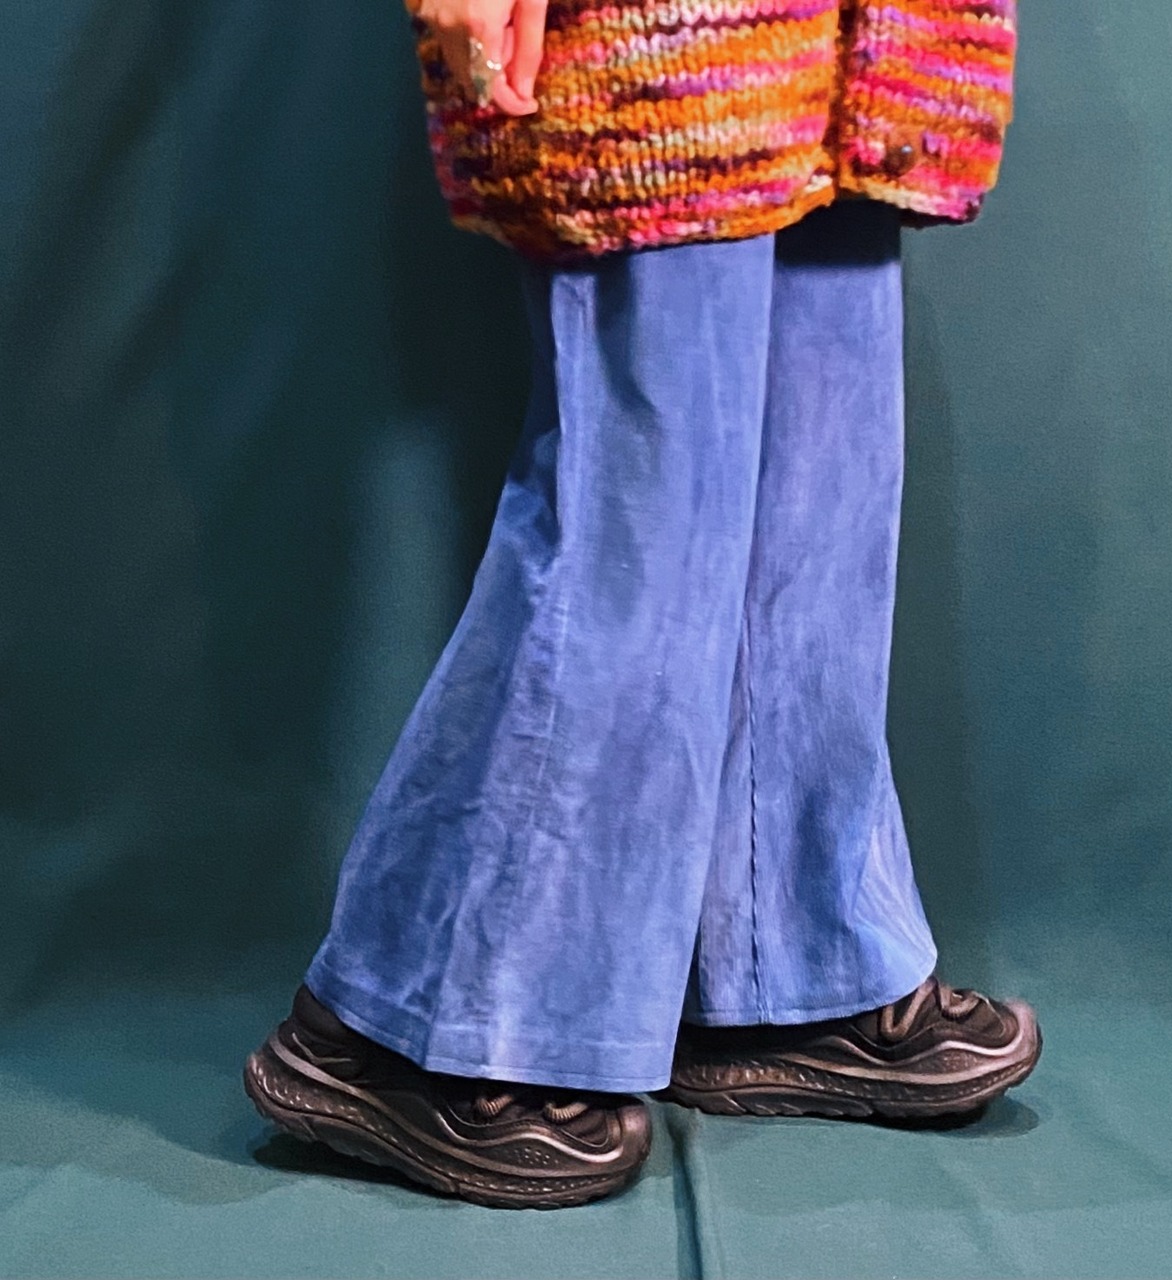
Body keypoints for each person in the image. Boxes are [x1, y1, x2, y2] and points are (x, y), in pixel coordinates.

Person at [243, 0, 1040, 1209]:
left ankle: (786, 968)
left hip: (866, 45)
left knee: (816, 507)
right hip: (655, 42)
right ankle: (412, 1022)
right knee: (642, 516)